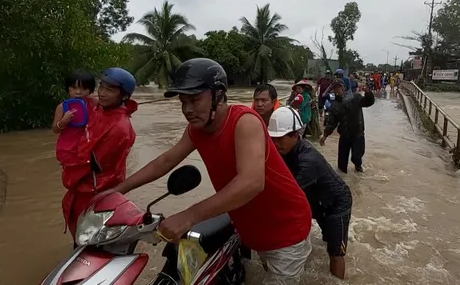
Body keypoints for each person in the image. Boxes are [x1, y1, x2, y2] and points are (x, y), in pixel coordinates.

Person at [113, 58, 313, 285]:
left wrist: (189, 216)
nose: (187, 110)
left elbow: (252, 182)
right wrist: (118, 190)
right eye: (183, 101)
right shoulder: (197, 128)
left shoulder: (244, 122)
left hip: (286, 229)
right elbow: (167, 160)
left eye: (195, 99)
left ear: (218, 95)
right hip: (252, 228)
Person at [268, 106, 353, 279]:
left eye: (280, 139)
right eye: (272, 139)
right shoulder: (285, 151)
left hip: (336, 205)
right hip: (318, 203)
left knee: (336, 252)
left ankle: (336, 281)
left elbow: (287, 195)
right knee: (326, 238)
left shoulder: (309, 160)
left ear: (295, 135)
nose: (275, 144)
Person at [61, 67, 137, 238]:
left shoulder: (119, 128)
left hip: (95, 192)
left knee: (89, 240)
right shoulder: (100, 108)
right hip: (83, 190)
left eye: (110, 89)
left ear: (124, 95)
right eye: (101, 86)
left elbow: (90, 164)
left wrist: (66, 161)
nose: (102, 93)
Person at [320, 80, 375, 173]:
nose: (337, 90)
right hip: (344, 135)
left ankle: (358, 170)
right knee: (341, 164)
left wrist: (368, 93)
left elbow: (368, 102)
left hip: (358, 134)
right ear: (333, 90)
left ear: (343, 88)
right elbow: (331, 124)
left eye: (339, 87)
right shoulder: (334, 106)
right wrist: (325, 136)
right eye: (335, 88)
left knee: (356, 158)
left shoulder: (355, 97)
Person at [52, 69, 97, 170]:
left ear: (90, 90)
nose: (78, 92)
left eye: (83, 88)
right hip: (69, 150)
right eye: (73, 88)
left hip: (89, 148)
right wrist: (63, 121)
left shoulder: (94, 103)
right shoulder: (62, 107)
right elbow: (55, 129)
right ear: (68, 88)